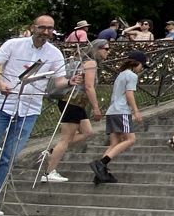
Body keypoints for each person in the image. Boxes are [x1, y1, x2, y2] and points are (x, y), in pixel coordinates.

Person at [0, 15, 66, 216]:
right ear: (33, 27)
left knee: (9, 156)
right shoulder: (14, 44)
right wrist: (0, 84)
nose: (46, 32)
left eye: (50, 28)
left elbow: (59, 82)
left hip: (29, 109)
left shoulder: (54, 53)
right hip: (2, 105)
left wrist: (71, 81)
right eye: (42, 27)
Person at [40, 39, 108, 183]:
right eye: (105, 49)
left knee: (87, 131)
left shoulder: (82, 61)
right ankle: (49, 172)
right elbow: (89, 87)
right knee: (66, 138)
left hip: (75, 102)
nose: (107, 52)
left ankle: (51, 152)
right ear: (97, 49)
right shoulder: (91, 63)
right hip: (73, 101)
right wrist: (96, 107)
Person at [91, 51, 147, 184]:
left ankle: (100, 172)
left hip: (112, 111)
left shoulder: (121, 74)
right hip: (122, 111)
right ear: (136, 63)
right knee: (130, 139)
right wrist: (136, 111)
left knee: (115, 143)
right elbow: (129, 94)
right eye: (142, 66)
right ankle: (101, 163)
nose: (142, 69)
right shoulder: (132, 75)